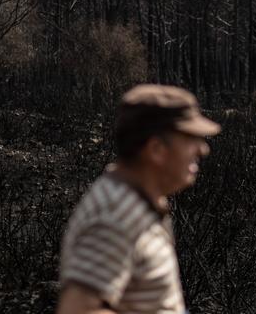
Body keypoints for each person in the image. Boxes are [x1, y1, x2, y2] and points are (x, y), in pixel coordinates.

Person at [56, 84, 221, 314]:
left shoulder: (135, 203)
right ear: (155, 149)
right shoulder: (114, 214)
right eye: (190, 139)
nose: (202, 150)